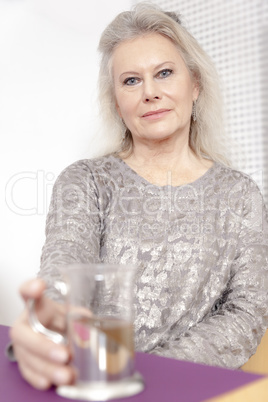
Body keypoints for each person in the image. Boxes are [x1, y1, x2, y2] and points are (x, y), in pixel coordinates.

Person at [9, 2, 268, 391]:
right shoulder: (86, 181)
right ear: (117, 102)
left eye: (164, 73)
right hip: (93, 383)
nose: (150, 92)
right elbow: (64, 270)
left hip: (187, 390)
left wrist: (145, 373)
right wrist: (49, 319)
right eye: (131, 81)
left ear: (194, 84)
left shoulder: (241, 195)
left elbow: (246, 314)